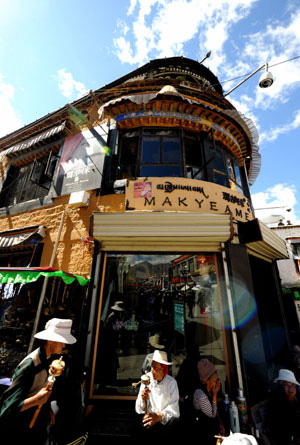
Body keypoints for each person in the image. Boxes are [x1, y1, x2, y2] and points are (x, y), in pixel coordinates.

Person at [0, 318, 77, 444]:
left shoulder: (49, 360)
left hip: (36, 425)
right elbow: (8, 408)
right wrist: (35, 400)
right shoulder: (30, 364)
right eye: (62, 341)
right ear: (51, 340)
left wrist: (48, 410)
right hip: (21, 429)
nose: (64, 345)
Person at [135, 349, 179, 441]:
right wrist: (143, 399)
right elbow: (139, 409)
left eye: (156, 368)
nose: (152, 371)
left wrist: (159, 417)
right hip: (149, 422)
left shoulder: (171, 383)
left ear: (164, 369)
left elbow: (174, 411)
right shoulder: (147, 380)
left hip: (165, 425)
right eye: (152, 367)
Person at [192, 358, 225, 444]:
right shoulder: (200, 394)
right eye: (214, 381)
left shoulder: (209, 389)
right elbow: (212, 414)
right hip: (203, 433)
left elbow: (215, 411)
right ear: (206, 380)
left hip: (210, 428)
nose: (216, 383)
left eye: (217, 380)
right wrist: (215, 394)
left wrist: (220, 423)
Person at [263, 369, 300, 444]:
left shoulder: (296, 400)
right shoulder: (277, 404)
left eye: (293, 385)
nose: (290, 389)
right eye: (286, 385)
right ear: (280, 386)